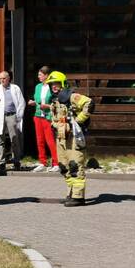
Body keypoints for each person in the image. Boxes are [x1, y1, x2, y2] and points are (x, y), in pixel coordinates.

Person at [46, 70, 93, 207]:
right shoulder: (54, 100)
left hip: (73, 138)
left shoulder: (71, 96)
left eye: (56, 83)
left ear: (62, 83)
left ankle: (78, 197)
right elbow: (54, 118)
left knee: (75, 166)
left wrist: (78, 121)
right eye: (51, 84)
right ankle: (71, 193)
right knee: (64, 167)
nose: (54, 86)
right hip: (61, 137)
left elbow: (89, 103)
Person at [0, 70, 25, 171]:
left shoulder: (15, 88)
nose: (2, 80)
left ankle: (16, 161)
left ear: (8, 78)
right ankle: (1, 162)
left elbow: (21, 102)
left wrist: (18, 116)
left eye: (4, 78)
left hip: (12, 115)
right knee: (0, 140)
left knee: (14, 138)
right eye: (0, 78)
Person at [27, 65, 60, 173]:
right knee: (39, 140)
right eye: (38, 75)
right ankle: (42, 162)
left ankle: (56, 163)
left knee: (50, 141)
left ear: (46, 76)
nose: (38, 77)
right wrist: (33, 102)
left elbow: (56, 103)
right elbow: (37, 100)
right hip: (38, 116)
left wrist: (47, 106)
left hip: (48, 117)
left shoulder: (52, 87)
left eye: (40, 75)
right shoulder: (38, 87)